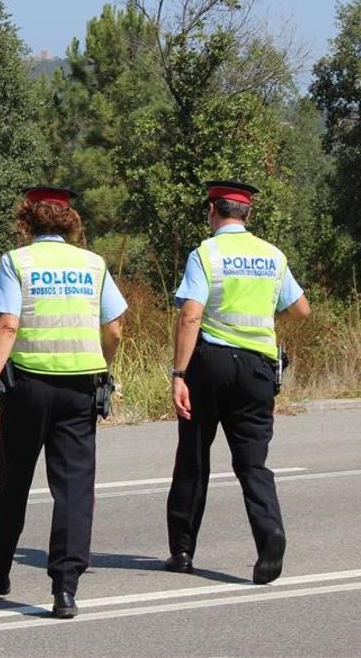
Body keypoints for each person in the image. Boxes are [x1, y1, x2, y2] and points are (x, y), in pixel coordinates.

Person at [0, 186, 126, 619]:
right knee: (74, 489)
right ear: (70, 218)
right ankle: (66, 588)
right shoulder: (93, 264)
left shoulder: (17, 261)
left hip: (29, 389)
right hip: (80, 389)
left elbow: (7, 325)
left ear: (27, 219)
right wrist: (104, 371)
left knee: (14, 481)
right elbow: (114, 327)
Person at [165, 180, 311, 584]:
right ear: (248, 214)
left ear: (213, 211)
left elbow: (190, 315)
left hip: (209, 365)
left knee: (193, 458)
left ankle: (182, 551)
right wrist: (265, 315)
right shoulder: (272, 256)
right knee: (252, 464)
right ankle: (270, 535)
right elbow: (301, 309)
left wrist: (179, 374)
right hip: (258, 370)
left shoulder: (205, 253)